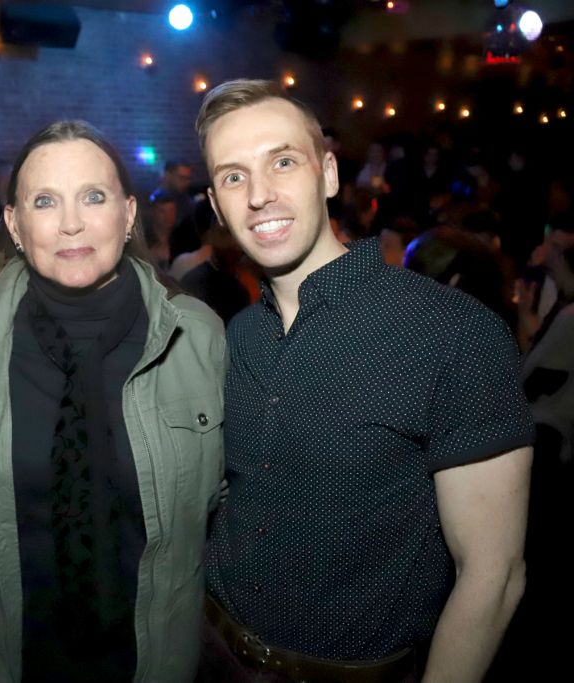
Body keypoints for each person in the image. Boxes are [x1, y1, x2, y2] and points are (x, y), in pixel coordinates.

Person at [196, 80, 534, 682]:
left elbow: (494, 574)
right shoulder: (239, 335)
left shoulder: (452, 333)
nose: (260, 195)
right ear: (218, 206)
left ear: (327, 173)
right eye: (233, 176)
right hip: (212, 652)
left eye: (282, 161)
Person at [0, 120, 226, 682]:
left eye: (92, 197)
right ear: (15, 225)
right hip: (10, 658)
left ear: (126, 214)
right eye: (45, 201)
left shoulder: (197, 334)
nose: (71, 223)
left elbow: (228, 500)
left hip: (152, 660)